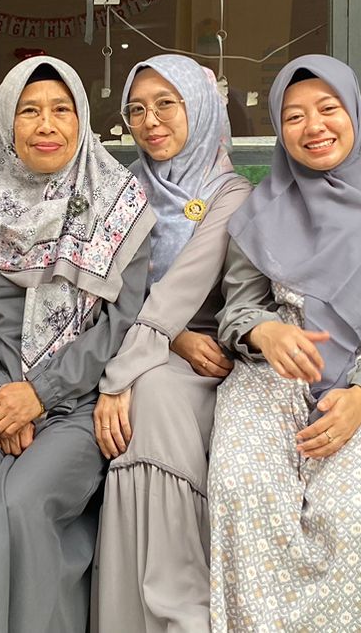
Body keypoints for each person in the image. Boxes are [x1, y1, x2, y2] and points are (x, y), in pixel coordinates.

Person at [209, 55, 361, 631]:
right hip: (273, 374)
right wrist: (265, 331)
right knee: (243, 492)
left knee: (358, 512)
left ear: (356, 114)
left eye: (328, 108)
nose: (313, 126)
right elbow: (238, 308)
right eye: (293, 116)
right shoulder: (264, 206)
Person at [0, 57, 155, 633]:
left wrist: (39, 394)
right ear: (5, 124)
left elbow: (121, 323)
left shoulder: (121, 206)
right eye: (29, 111)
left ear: (81, 119)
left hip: (77, 405)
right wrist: (3, 396)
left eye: (60, 109)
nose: (46, 124)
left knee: (20, 502)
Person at [90, 56, 251, 633]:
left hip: (208, 353)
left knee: (153, 397)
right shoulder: (121, 189)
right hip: (139, 342)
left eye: (166, 104)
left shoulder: (229, 193)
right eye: (136, 109)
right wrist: (159, 346)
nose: (150, 121)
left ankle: (181, 612)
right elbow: (101, 288)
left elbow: (185, 287)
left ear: (199, 107)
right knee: (149, 394)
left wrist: (122, 376)